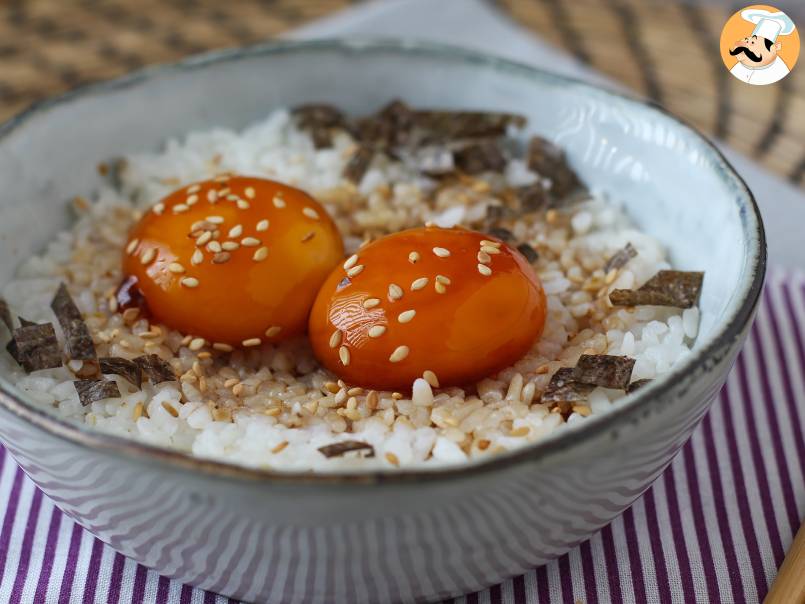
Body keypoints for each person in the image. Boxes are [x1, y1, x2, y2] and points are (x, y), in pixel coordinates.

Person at [728, 9, 796, 85]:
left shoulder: (779, 71)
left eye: (753, 43)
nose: (746, 45)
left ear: (775, 47)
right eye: (747, 40)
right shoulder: (739, 66)